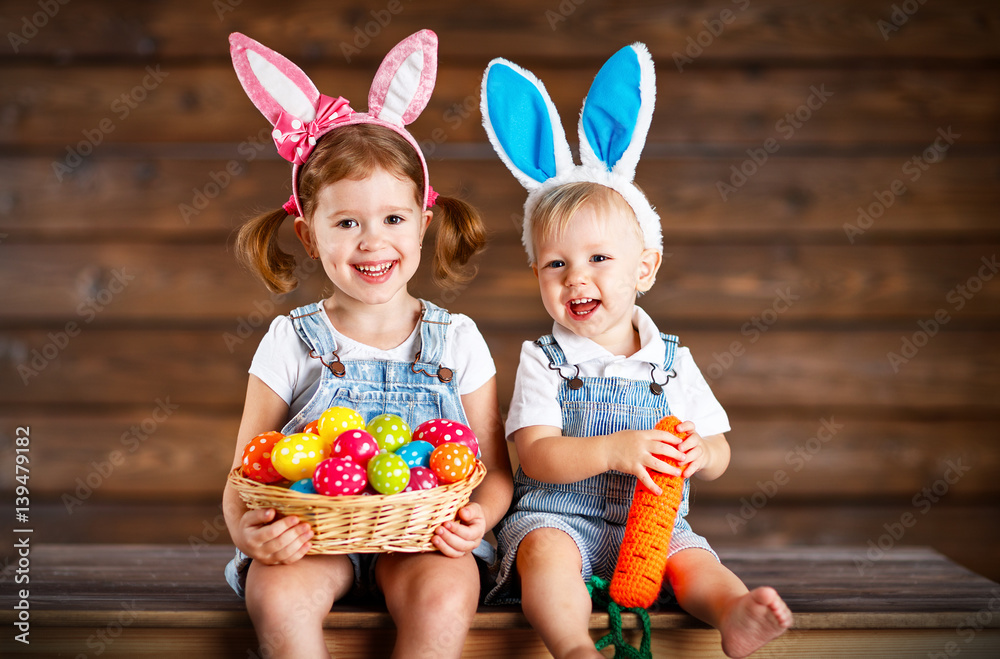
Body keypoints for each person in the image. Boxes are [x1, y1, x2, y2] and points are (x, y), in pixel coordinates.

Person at [479, 44, 792, 659]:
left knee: (695, 561)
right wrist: (615, 449)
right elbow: (536, 456)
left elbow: (722, 450)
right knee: (544, 558)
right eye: (555, 264)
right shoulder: (545, 357)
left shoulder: (671, 360)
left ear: (645, 268)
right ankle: (571, 644)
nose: (576, 278)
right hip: (561, 519)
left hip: (652, 525)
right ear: (535, 274)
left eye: (599, 259)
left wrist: (702, 452)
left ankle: (733, 611)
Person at [221, 30, 513, 659]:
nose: (372, 241)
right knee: (276, 596)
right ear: (307, 233)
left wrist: (478, 520)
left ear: (423, 223)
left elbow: (494, 472)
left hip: (423, 539)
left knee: (443, 596)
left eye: (393, 219)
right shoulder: (292, 340)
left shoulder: (456, 339)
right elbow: (244, 472)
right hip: (315, 535)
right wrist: (252, 536)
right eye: (347, 222)